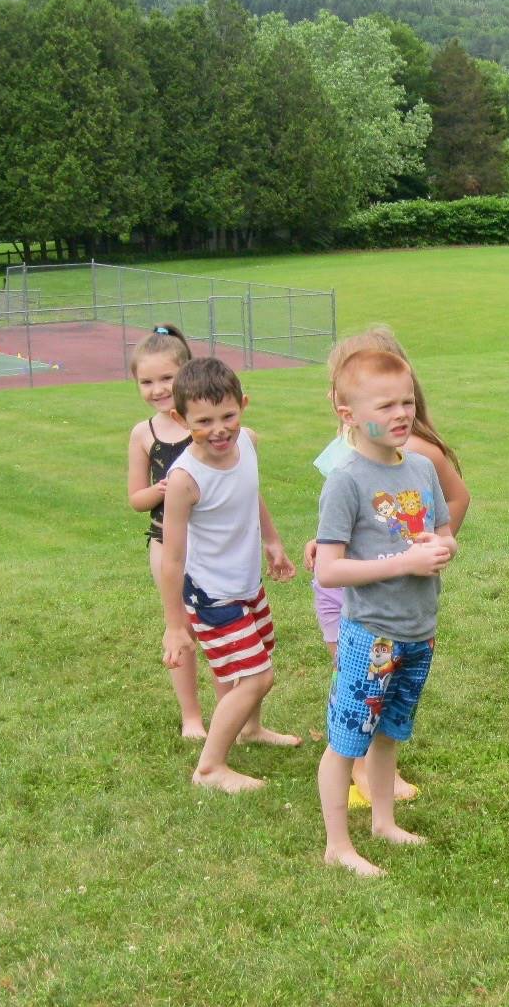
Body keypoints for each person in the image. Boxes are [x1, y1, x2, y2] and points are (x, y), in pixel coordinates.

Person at [303, 327, 469, 809]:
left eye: (406, 402)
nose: (400, 413)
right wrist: (404, 560)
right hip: (370, 628)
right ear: (346, 409)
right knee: (350, 733)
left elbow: (440, 531)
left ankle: (383, 820)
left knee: (390, 728)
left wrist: (439, 548)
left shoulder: (418, 466)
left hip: (417, 625)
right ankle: (339, 843)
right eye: (385, 404)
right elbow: (333, 565)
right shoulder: (345, 475)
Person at [159, 357, 299, 793]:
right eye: (204, 421)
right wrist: (174, 626)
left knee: (262, 653)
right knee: (258, 675)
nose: (219, 429)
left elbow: (249, 493)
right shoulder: (184, 479)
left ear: (244, 405)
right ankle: (210, 768)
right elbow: (171, 559)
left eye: (228, 416)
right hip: (213, 595)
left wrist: (272, 541)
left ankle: (250, 729)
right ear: (181, 419)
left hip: (246, 582)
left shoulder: (250, 443)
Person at [125, 325, 207, 738]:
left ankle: (242, 715)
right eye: (146, 381)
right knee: (181, 626)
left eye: (166, 379)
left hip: (211, 543)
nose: (158, 389)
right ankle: (191, 716)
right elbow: (135, 498)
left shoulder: (203, 424)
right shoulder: (144, 434)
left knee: (223, 623)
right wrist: (157, 491)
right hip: (165, 544)